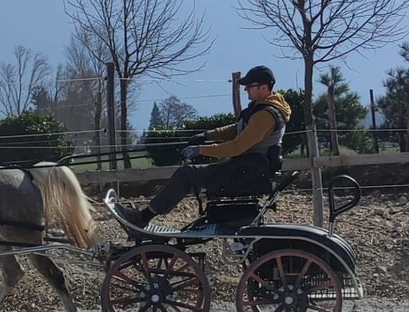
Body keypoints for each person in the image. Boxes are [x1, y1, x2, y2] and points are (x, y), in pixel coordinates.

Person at [116, 65, 291, 231]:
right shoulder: (262, 110)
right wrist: (206, 136)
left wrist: (201, 149)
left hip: (244, 174)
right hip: (244, 170)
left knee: (187, 174)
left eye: (250, 86)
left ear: (264, 87)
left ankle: (143, 218)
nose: (246, 90)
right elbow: (236, 129)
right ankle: (145, 216)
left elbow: (237, 147)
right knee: (189, 173)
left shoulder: (265, 116)